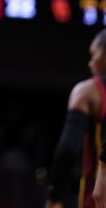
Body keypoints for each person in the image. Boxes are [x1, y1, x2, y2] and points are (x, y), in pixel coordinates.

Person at [48, 29, 106, 207]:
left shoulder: (88, 92)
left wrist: (54, 197)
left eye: (93, 54)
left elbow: (68, 151)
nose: (90, 63)